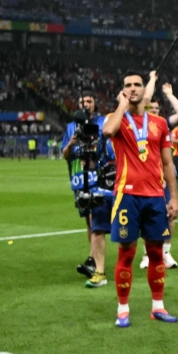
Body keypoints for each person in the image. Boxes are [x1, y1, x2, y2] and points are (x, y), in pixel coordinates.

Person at [101, 70, 178, 328]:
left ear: (145, 90)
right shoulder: (117, 119)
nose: (133, 88)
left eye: (137, 85)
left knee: (156, 252)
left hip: (156, 196)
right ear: (123, 90)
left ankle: (158, 306)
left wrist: (174, 198)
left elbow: (168, 163)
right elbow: (107, 131)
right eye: (128, 85)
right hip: (127, 196)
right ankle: (122, 309)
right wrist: (123, 104)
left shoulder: (159, 123)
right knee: (127, 252)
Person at [140, 80, 178, 270]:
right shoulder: (139, 124)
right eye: (151, 107)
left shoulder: (162, 124)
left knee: (169, 215)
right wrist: (151, 79)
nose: (155, 110)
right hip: (146, 178)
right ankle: (147, 255)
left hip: (166, 177)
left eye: (158, 108)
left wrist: (169, 94)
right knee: (146, 216)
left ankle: (166, 252)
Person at [62, 94, 103, 278]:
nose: (85, 104)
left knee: (95, 218)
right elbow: (65, 155)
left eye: (89, 102)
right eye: (82, 102)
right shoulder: (71, 127)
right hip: (79, 179)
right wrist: (71, 143)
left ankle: (93, 260)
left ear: (95, 105)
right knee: (88, 220)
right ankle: (94, 257)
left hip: (97, 177)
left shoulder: (101, 123)